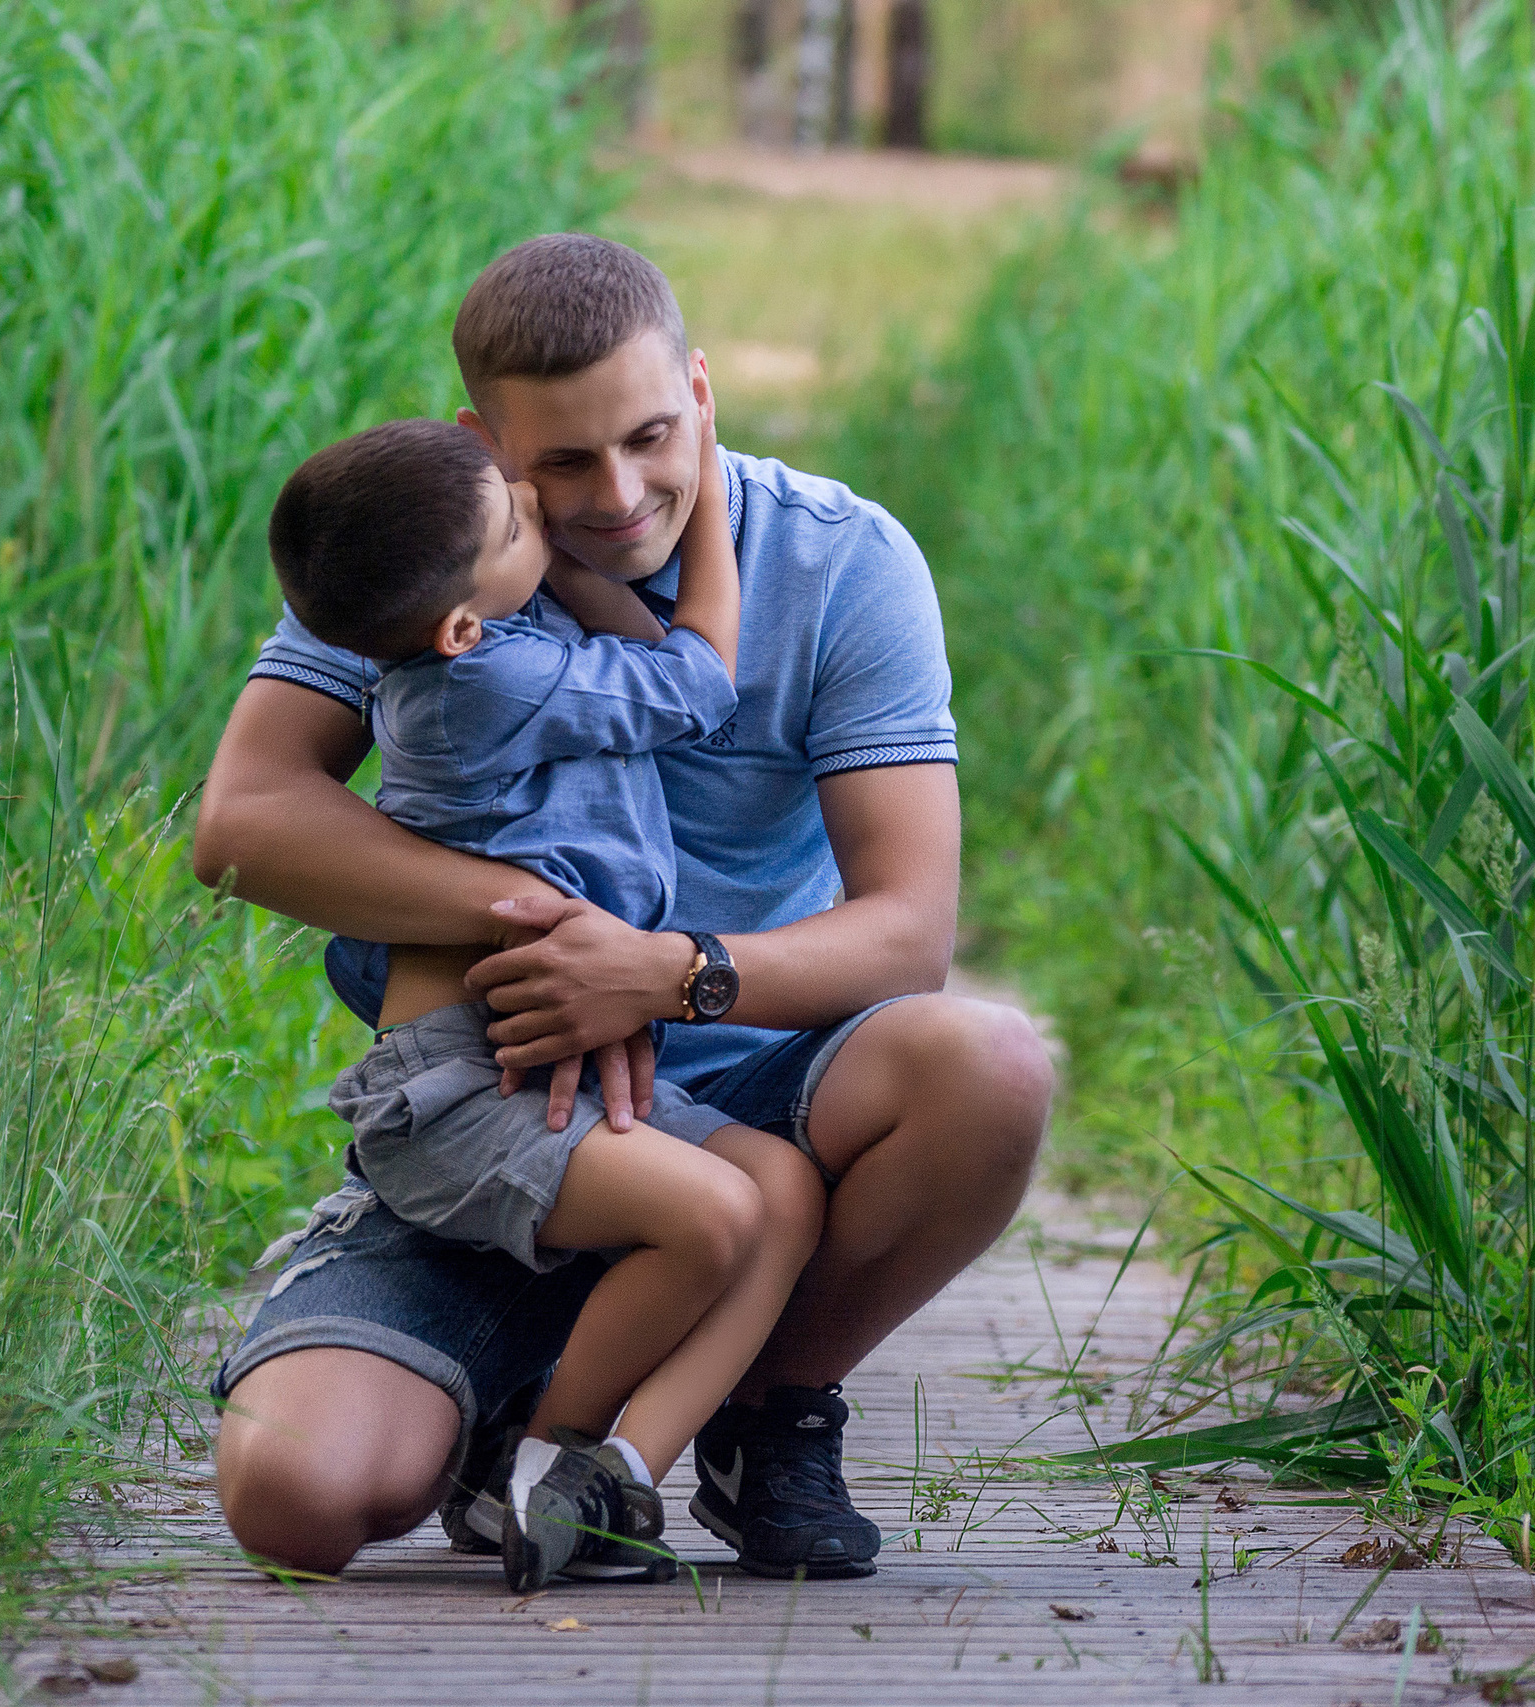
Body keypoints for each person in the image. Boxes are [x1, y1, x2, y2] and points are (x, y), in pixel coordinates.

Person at [196, 233, 1055, 1583]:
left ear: (700, 391)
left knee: (991, 1066)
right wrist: (536, 924)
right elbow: (243, 830)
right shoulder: (437, 545)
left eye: (654, 436)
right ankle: (491, 1384)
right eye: (562, 465)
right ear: (486, 445)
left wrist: (658, 974)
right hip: (504, 1092)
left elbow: (909, 935)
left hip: (755, 1094)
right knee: (294, 1497)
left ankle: (760, 1413)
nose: (619, 494)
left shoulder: (842, 563)